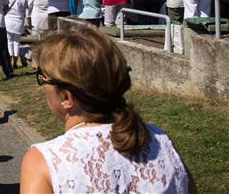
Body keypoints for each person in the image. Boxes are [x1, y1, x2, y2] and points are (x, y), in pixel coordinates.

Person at [20, 24, 195, 194]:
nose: (42, 85)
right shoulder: (161, 142)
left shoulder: (45, 162)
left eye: (43, 77)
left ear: (66, 98)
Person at [5, 0, 27, 69]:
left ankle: (9, 62)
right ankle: (15, 63)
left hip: (8, 21)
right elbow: (25, 11)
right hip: (19, 21)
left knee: (9, 41)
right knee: (16, 42)